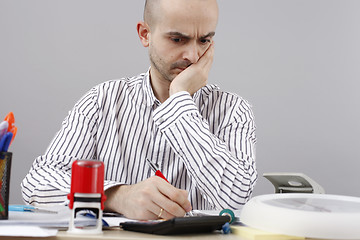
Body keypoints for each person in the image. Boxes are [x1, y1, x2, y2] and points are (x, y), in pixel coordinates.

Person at [21, 0, 257, 220]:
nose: (193, 56)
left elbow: (236, 200)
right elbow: (37, 184)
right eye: (177, 39)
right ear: (145, 34)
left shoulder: (233, 110)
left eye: (204, 41)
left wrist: (180, 102)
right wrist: (116, 196)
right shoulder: (102, 101)